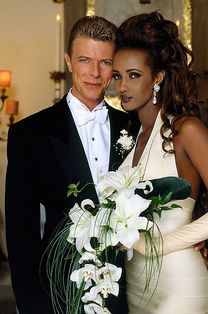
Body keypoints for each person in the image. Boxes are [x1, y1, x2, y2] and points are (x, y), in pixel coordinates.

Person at [5, 15, 139, 314]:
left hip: (130, 291)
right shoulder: (29, 134)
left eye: (105, 63)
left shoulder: (135, 127)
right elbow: (20, 234)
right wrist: (33, 305)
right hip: (59, 292)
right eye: (84, 60)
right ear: (68, 61)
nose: (94, 72)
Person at [112, 10, 208, 314]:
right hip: (137, 284)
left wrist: (164, 245)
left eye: (134, 75)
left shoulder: (186, 130)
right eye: (117, 76)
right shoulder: (128, 138)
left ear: (158, 77)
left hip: (179, 281)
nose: (123, 87)